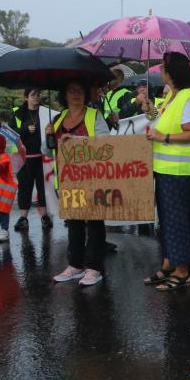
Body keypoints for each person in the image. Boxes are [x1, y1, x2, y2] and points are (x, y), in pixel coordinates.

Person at [142, 52, 190, 291]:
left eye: (163, 66)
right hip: (166, 169)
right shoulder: (173, 96)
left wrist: (163, 137)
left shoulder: (187, 97)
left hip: (180, 171)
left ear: (172, 72)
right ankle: (169, 263)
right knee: (167, 220)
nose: (159, 69)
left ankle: (182, 272)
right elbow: (161, 121)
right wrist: (150, 110)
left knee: (176, 221)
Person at [47, 80, 110, 287]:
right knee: (74, 223)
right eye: (72, 90)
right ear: (64, 95)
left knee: (94, 224)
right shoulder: (57, 120)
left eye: (80, 90)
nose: (76, 94)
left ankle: (94, 268)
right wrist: (48, 136)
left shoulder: (94, 116)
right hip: (67, 180)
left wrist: (75, 141)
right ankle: (75, 265)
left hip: (92, 178)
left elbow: (105, 145)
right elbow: (48, 151)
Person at [12, 89, 53, 232]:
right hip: (24, 158)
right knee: (24, 188)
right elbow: (11, 134)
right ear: (26, 97)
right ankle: (23, 218)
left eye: (38, 94)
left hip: (42, 156)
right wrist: (24, 129)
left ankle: (45, 216)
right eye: (33, 95)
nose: (36, 97)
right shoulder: (17, 113)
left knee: (43, 188)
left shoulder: (45, 112)